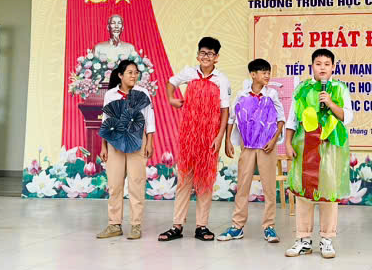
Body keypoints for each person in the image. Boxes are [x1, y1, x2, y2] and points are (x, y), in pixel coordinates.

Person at [159, 37, 230, 243]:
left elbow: (225, 111)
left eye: (210, 54)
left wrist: (219, 137)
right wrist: (171, 98)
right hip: (188, 136)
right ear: (198, 55)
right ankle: (177, 225)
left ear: (216, 57)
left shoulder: (221, 79)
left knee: (205, 182)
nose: (206, 57)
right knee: (184, 181)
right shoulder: (189, 73)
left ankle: (201, 225)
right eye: (203, 53)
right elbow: (171, 82)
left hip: (209, 138)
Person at [284, 48, 352, 259]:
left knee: (328, 193)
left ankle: (326, 239)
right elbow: (292, 119)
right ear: (312, 66)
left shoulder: (340, 88)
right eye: (318, 64)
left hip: (329, 147)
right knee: (303, 192)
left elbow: (347, 117)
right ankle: (303, 239)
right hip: (304, 146)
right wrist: (288, 143)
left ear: (333, 67)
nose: (322, 68)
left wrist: (330, 103)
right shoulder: (302, 89)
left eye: (327, 64)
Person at [217, 59, 286, 243]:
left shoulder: (272, 94)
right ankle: (237, 226)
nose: (267, 75)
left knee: (269, 187)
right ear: (253, 75)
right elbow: (231, 118)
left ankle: (269, 226)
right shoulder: (241, 95)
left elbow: (281, 119)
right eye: (263, 72)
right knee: (243, 186)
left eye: (268, 72)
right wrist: (228, 141)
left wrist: (274, 140)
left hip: (266, 147)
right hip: (247, 147)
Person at [97, 59, 154, 240]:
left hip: (137, 140)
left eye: (136, 72)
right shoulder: (111, 95)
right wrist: (103, 145)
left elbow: (149, 119)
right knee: (114, 184)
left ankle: (136, 225)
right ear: (120, 75)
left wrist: (149, 142)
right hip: (114, 141)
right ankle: (114, 224)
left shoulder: (143, 93)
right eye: (130, 72)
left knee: (136, 183)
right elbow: (106, 120)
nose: (134, 76)